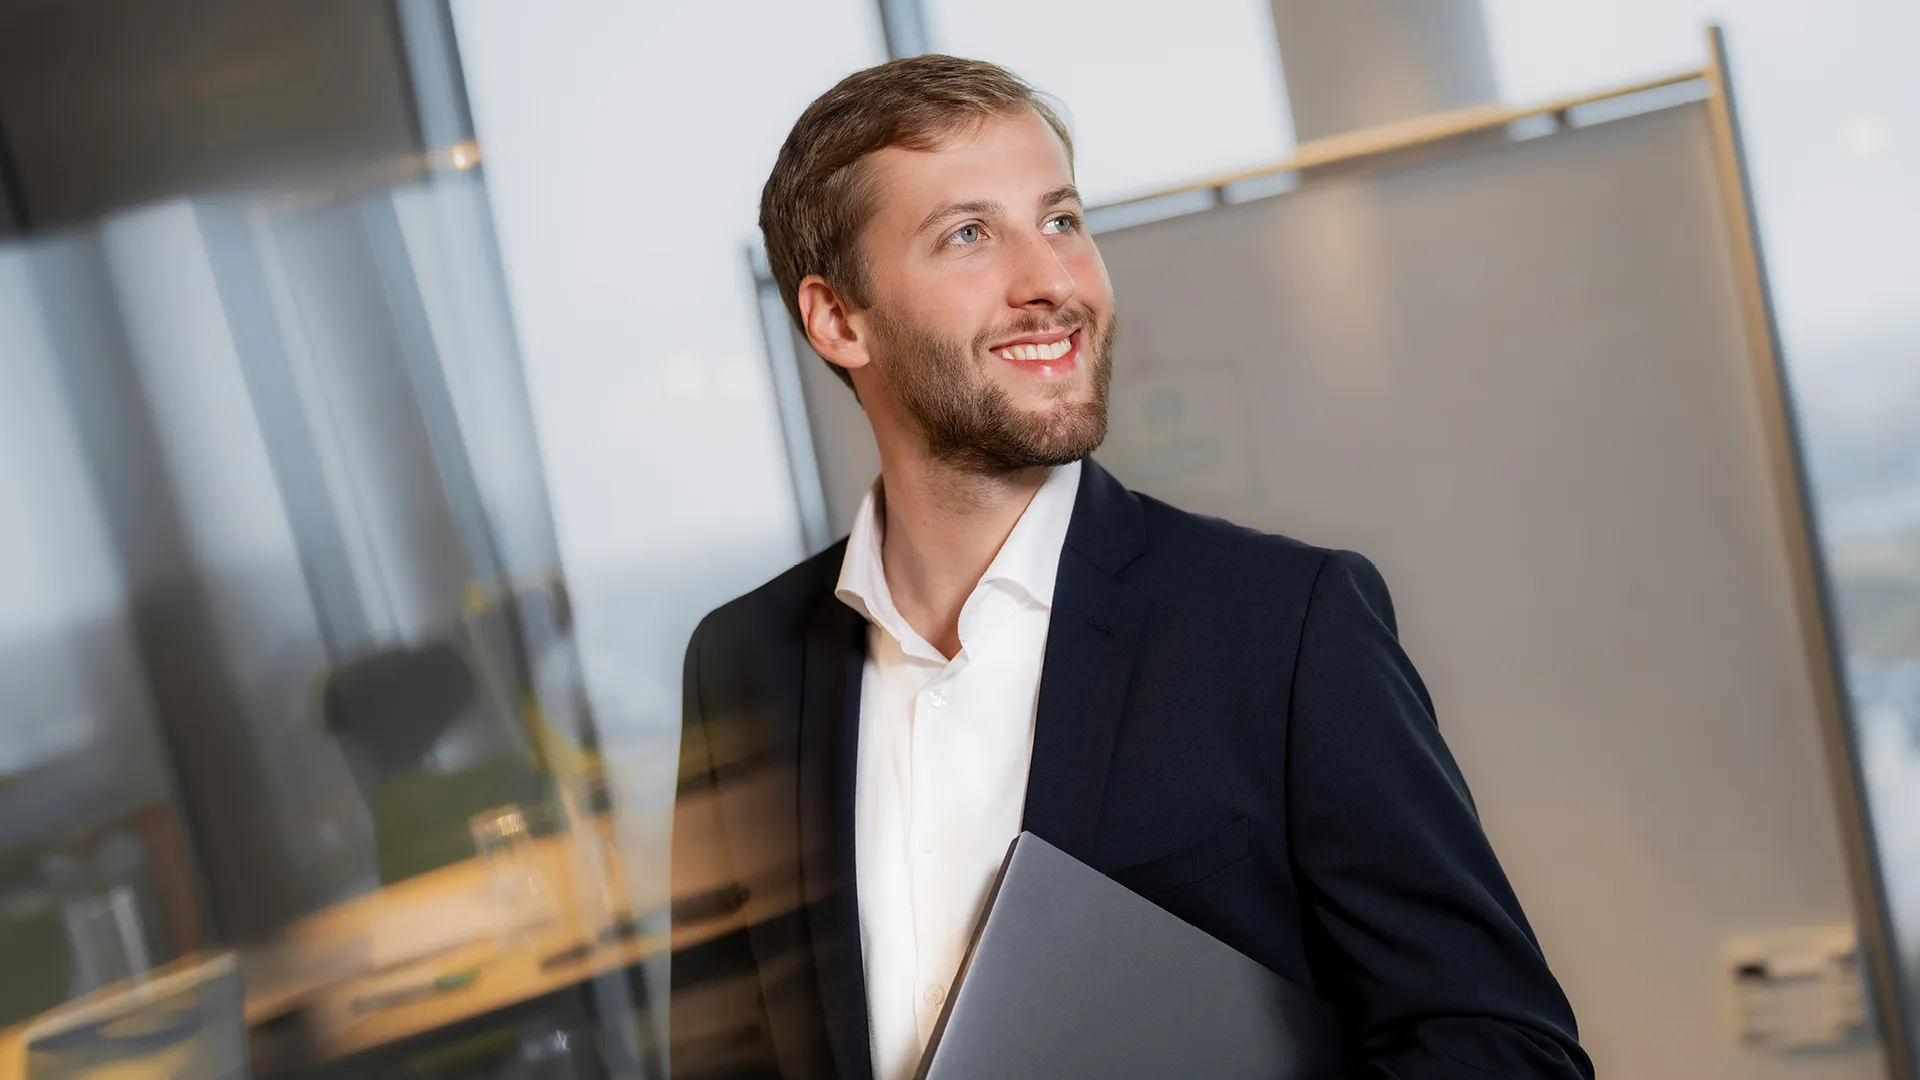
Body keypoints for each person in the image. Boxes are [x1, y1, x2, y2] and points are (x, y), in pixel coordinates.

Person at [669, 55, 1592, 1080]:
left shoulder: (1282, 626)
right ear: (838, 320)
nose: (1051, 281)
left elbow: (1505, 1050)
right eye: (969, 234)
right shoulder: (742, 662)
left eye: (1061, 220)